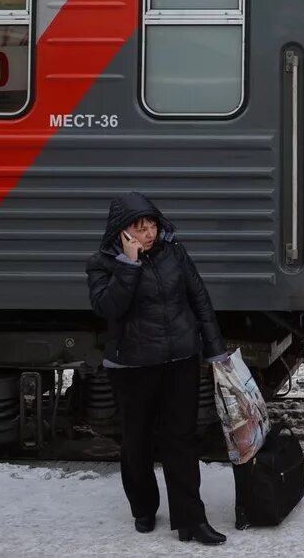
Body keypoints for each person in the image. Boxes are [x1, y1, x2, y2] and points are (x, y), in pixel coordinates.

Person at [86, 192, 230, 545]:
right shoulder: (102, 263)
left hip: (180, 359)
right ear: (122, 232)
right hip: (132, 366)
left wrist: (214, 349)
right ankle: (143, 508)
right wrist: (129, 265)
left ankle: (191, 521)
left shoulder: (174, 251)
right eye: (139, 228)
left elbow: (199, 298)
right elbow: (109, 309)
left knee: (181, 440)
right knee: (137, 442)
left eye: (151, 225)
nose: (148, 233)